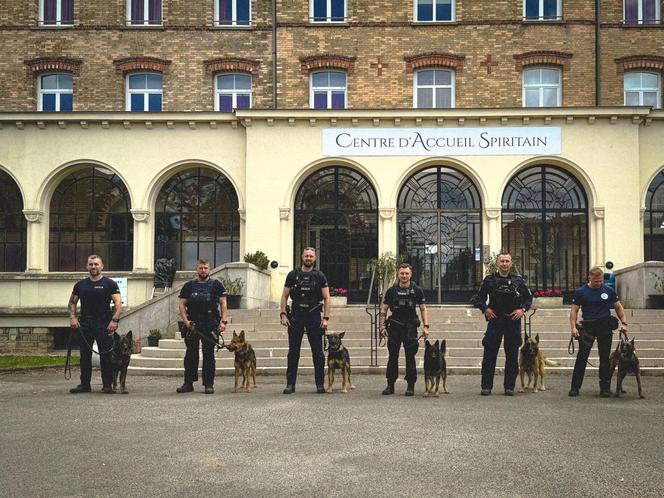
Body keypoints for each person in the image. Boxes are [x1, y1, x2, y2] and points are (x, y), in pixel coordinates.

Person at [474, 252, 532, 396]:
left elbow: (528, 299)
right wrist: (485, 309)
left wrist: (522, 310)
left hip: (512, 321)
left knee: (512, 356)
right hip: (495, 320)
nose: (504, 264)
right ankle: (486, 386)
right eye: (502, 261)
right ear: (498, 263)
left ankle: (509, 386)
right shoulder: (489, 280)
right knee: (489, 355)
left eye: (507, 261)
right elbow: (478, 299)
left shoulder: (518, 281)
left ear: (511, 263)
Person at [569, 266, 628, 398]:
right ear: (589, 278)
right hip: (588, 326)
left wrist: (624, 322)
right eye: (596, 281)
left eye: (600, 281)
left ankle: (605, 389)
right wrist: (573, 327)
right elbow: (574, 311)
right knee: (582, 358)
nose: (598, 283)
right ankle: (575, 388)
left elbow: (618, 307)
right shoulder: (581, 292)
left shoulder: (608, 290)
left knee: (605, 359)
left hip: (604, 326)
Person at [68, 255, 123, 394]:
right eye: (91, 264)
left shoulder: (110, 284)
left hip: (104, 323)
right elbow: (72, 302)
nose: (93, 267)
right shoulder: (80, 285)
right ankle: (85, 385)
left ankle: (107, 385)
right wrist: (72, 318)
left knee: (105, 355)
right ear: (87, 266)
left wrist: (114, 320)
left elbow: (118, 303)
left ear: (102, 266)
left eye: (96, 264)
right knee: (84, 356)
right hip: (85, 323)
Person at [279, 247, 331, 394]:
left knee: (318, 353)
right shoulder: (292, 275)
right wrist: (283, 314)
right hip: (296, 316)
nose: (308, 258)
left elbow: (327, 298)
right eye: (306, 256)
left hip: (314, 316)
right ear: (302, 257)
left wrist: (326, 318)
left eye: (311, 256)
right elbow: (284, 296)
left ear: (315, 259)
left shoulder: (320, 276)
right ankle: (290, 384)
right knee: (293, 352)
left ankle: (320, 384)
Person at [177, 259, 228, 394]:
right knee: (190, 355)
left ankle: (208, 384)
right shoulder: (189, 285)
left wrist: (223, 322)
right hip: (193, 324)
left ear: (209, 269)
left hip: (210, 324)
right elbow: (182, 303)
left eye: (205, 268)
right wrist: (186, 321)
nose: (203, 270)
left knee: (208, 355)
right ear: (197, 269)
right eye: (201, 268)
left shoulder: (216, 285)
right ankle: (188, 383)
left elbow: (223, 303)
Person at [379, 263, 429, 396]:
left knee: (410, 357)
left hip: (410, 327)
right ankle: (390, 385)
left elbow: (423, 308)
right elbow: (383, 310)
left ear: (411, 274)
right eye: (402, 273)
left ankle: (410, 386)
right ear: (398, 274)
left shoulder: (417, 290)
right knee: (392, 356)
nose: (404, 276)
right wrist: (382, 326)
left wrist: (426, 326)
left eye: (407, 273)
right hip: (394, 327)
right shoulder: (391, 291)